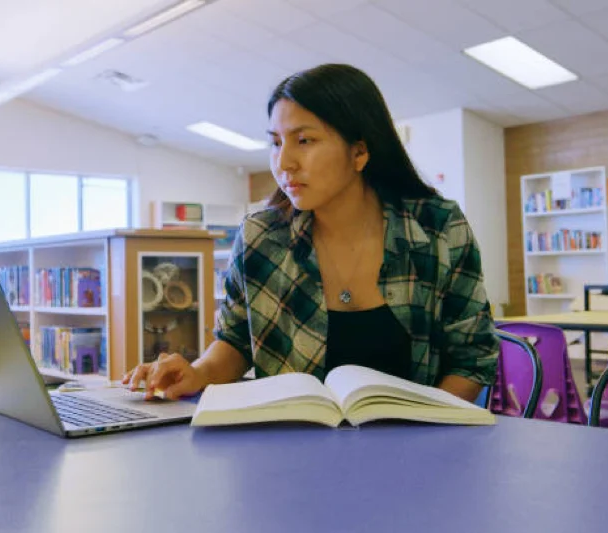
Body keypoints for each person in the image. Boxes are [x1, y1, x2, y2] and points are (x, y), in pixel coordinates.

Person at [123, 63, 499, 403]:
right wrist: (198, 372)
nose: (283, 162)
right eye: (275, 142)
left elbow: (472, 360)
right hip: (292, 451)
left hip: (416, 457)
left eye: (304, 140)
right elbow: (236, 342)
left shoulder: (437, 228)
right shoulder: (260, 238)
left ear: (359, 151)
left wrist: (425, 428)